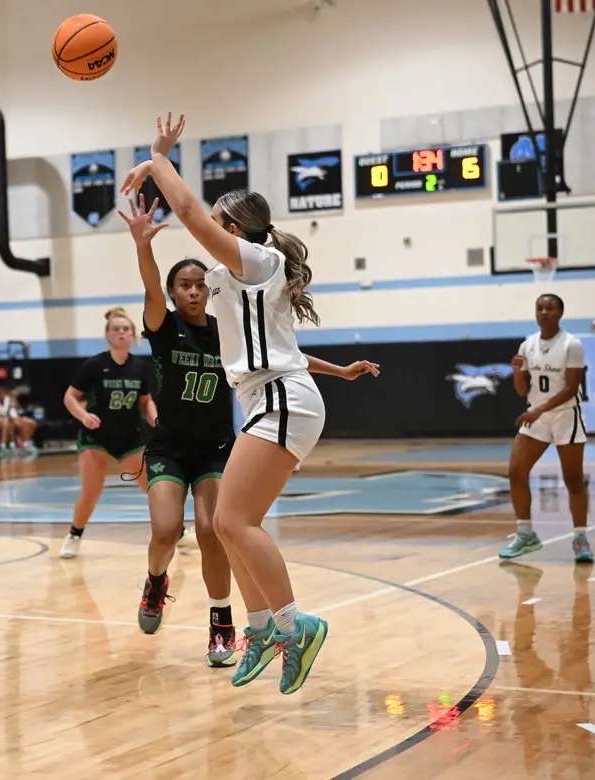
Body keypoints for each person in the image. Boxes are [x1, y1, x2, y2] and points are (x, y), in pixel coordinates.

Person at [121, 112, 379, 695]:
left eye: (218, 222)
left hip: (281, 399)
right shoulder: (224, 282)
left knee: (231, 521)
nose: (207, 228)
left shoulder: (259, 260)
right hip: (275, 397)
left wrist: (159, 155)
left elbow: (186, 212)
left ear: (235, 226)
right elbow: (279, 345)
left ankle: (294, 624)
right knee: (232, 525)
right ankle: (260, 628)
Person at [118, 193, 238, 667]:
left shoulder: (225, 328)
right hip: (168, 447)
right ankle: (155, 581)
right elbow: (149, 288)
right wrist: (143, 244)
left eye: (198, 285)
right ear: (172, 293)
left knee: (211, 531)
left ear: (209, 290)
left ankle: (221, 622)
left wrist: (336, 370)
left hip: (214, 449)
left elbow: (280, 355)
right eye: (183, 286)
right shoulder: (163, 327)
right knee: (167, 531)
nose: (192, 292)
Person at [60, 307, 157, 559]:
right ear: (108, 335)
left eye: (126, 329)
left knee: (155, 487)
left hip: (129, 437)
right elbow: (70, 397)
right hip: (96, 436)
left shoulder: (140, 367)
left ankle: (176, 532)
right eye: (116, 329)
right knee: (91, 491)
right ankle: (74, 534)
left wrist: (156, 420)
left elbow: (145, 401)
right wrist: (83, 415)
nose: (121, 333)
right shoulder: (94, 365)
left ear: (134, 335)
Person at [501, 293, 592, 563]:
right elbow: (521, 390)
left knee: (573, 479)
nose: (544, 312)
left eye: (549, 308)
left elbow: (571, 388)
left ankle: (580, 538)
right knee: (516, 472)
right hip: (536, 416)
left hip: (565, 416)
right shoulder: (527, 345)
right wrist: (518, 373)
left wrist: (539, 408)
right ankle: (525, 534)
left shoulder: (571, 344)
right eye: (540, 308)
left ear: (560, 313)